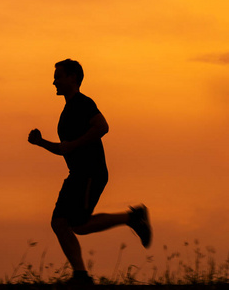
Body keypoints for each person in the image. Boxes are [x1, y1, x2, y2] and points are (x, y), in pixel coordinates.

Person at [28, 59, 152, 285]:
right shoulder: (68, 110)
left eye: (59, 76)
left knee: (78, 225)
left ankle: (132, 218)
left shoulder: (83, 103)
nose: (54, 81)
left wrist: (74, 145)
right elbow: (65, 148)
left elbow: (103, 127)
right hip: (77, 173)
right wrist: (41, 142)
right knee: (60, 223)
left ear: (73, 77)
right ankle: (81, 275)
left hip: (90, 172)